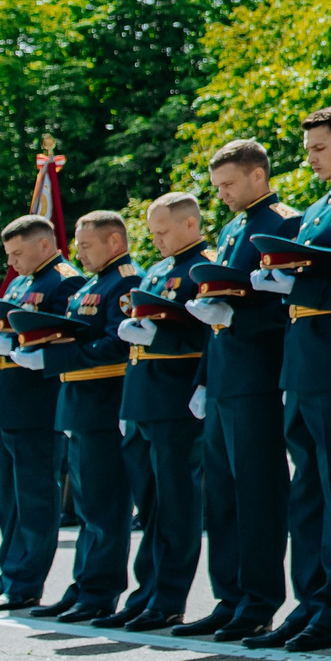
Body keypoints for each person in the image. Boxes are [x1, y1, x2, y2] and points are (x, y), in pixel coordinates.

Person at [259, 107, 331, 653]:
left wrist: (302, 289)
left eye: (318, 148)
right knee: (306, 492)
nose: (309, 158)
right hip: (303, 362)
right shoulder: (313, 209)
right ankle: (307, 600)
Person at [180, 140, 302, 642]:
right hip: (226, 374)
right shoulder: (232, 228)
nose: (223, 195)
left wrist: (239, 317)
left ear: (258, 175)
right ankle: (229, 596)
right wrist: (204, 379)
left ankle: (258, 600)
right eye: (217, 187)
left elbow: (288, 304)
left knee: (257, 494)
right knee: (224, 497)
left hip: (260, 374)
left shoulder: (285, 223)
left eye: (229, 184)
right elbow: (216, 306)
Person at [0, 215, 83, 612]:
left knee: (34, 501)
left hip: (36, 406)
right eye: (8, 254)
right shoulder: (20, 282)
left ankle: (25, 582)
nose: (12, 262)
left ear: (44, 245)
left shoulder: (65, 281)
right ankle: (8, 573)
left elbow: (62, 340)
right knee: (9, 504)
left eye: (17, 253)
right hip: (5, 406)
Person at [102, 191, 211, 631]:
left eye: (163, 231)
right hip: (144, 399)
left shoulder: (204, 265)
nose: (157, 240)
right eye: (152, 232)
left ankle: (169, 597)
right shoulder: (159, 270)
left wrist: (161, 340)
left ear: (189, 224)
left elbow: (209, 334)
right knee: (149, 509)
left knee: (177, 507)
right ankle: (146, 591)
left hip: (176, 400)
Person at [27, 209, 136, 623]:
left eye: (86, 244)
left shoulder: (125, 281)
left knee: (105, 507)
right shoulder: (94, 282)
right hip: (80, 404)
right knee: (88, 506)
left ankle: (100, 590)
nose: (78, 252)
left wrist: (55, 354)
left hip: (103, 404)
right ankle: (84, 584)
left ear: (113, 242)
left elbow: (115, 346)